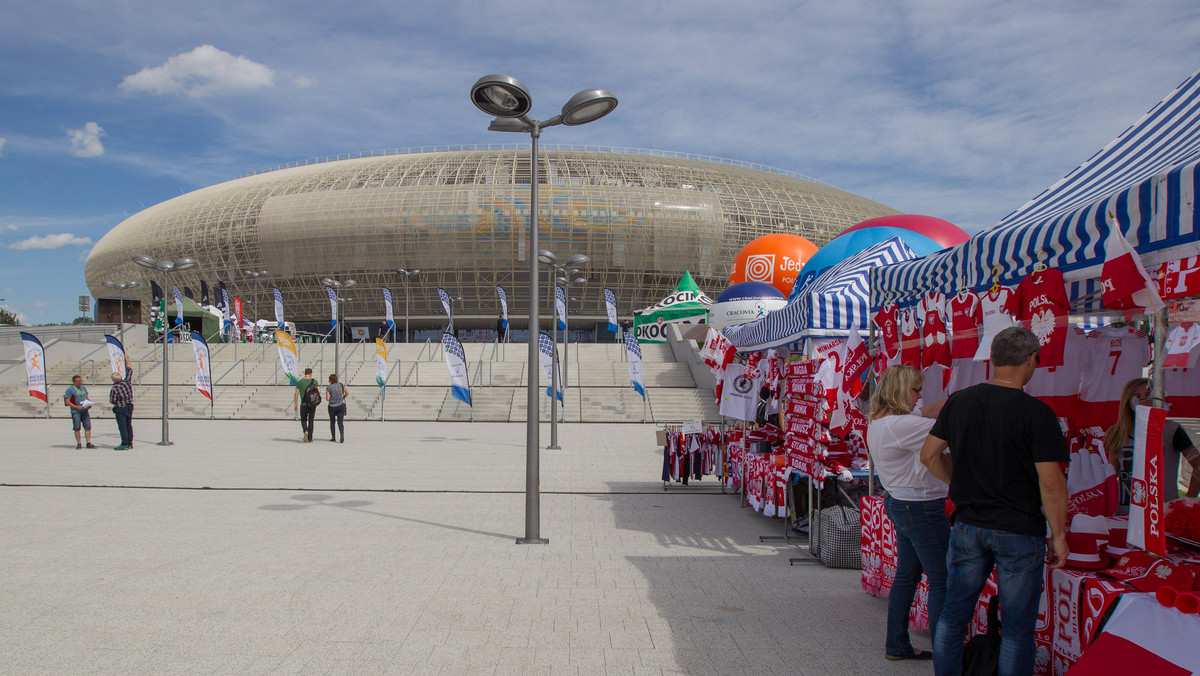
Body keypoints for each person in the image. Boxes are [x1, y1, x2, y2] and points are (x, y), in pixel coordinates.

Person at [920, 326, 1069, 676]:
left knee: (953, 618)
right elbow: (1052, 484)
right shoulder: (1037, 413)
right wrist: (1059, 535)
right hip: (1019, 529)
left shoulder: (960, 400)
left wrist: (961, 484)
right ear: (1031, 361)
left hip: (969, 525)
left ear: (994, 359)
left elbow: (928, 455)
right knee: (1016, 629)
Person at [867, 365, 947, 662]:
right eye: (914, 390)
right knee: (943, 579)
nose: (919, 396)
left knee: (906, 577)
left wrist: (956, 398)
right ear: (901, 391)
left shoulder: (882, 421)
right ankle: (946, 653)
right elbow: (948, 423)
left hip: (902, 503)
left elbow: (927, 411)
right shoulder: (903, 425)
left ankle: (897, 644)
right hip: (921, 508)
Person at [1104, 378, 1200, 511]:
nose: (1145, 400)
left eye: (1149, 395)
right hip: (1126, 511)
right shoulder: (1116, 432)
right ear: (1127, 401)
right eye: (1137, 396)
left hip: (1163, 512)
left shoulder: (1172, 430)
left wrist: (1188, 501)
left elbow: (1198, 465)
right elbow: (1111, 475)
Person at [64, 374, 96, 449]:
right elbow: (67, 401)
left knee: (88, 426)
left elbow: (86, 397)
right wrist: (76, 407)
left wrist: (89, 403)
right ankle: (79, 443)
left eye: (80, 381)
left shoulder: (83, 388)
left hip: (85, 410)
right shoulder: (70, 390)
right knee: (77, 427)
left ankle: (88, 442)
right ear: (74, 382)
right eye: (78, 381)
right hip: (76, 411)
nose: (79, 382)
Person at [108, 360, 134, 451]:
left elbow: (112, 400)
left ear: (114, 380)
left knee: (122, 426)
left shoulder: (115, 388)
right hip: (129, 406)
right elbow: (130, 371)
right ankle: (130, 442)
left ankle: (124, 443)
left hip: (120, 408)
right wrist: (127, 359)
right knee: (128, 425)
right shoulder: (127, 382)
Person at [293, 368, 318, 443]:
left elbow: (296, 394)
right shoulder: (315, 381)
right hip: (312, 404)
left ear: (304, 373)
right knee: (311, 420)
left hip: (303, 404)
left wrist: (295, 404)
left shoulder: (300, 382)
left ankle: (305, 430)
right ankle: (310, 438)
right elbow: (319, 391)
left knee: (303, 420)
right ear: (311, 373)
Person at [326, 373, 348, 443]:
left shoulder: (329, 387)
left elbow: (327, 398)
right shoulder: (341, 385)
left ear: (330, 380)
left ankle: (333, 437)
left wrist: (332, 399)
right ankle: (342, 434)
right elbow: (347, 392)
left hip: (332, 406)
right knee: (340, 422)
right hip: (340, 405)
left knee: (332, 422)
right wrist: (343, 397)